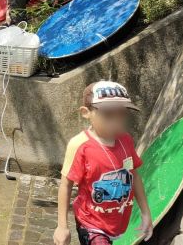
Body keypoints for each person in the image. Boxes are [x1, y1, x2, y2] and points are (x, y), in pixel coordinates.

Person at [54, 81, 152, 245]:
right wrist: (62, 226)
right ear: (86, 112)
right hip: (91, 223)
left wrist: (145, 212)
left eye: (122, 114)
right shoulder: (80, 145)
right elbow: (66, 185)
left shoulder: (125, 140)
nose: (116, 121)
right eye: (108, 115)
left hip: (118, 223)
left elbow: (133, 174)